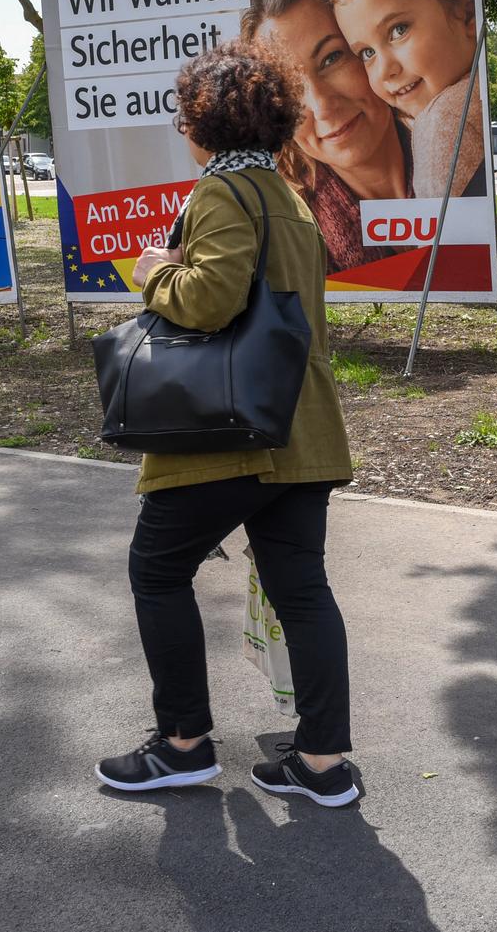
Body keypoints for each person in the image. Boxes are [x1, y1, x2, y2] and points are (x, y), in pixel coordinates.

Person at [95, 41, 361, 808]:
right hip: (298, 428)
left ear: (203, 122)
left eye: (186, 116)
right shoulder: (288, 195)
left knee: (156, 570)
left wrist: (151, 270)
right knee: (301, 589)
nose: (183, 129)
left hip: (225, 434)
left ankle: (181, 744)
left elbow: (209, 300)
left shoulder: (221, 195)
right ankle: (320, 762)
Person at [240, 0, 410, 274]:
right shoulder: (283, 239)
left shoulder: (451, 152)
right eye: (288, 88)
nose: (321, 106)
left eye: (332, 58)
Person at [320, 0, 488, 200]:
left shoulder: (444, 123)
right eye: (367, 52)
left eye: (398, 30)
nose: (385, 71)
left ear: (469, 11)